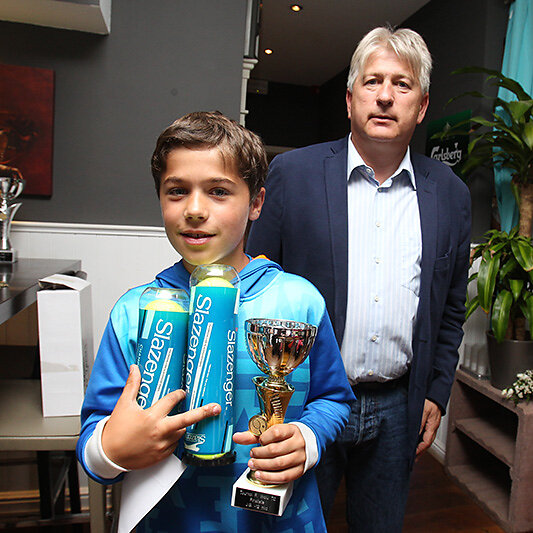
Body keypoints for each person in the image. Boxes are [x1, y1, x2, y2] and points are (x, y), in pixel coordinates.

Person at [76, 111, 355, 532]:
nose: (194, 209)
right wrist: (111, 449)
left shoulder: (300, 301)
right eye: (177, 191)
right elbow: (93, 438)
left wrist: (308, 439)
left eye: (218, 191)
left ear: (256, 203)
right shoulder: (134, 312)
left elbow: (333, 398)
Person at [246, 26, 472, 532]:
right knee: (295, 525)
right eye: (373, 81)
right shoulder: (293, 174)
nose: (385, 96)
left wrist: (435, 391)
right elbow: (255, 285)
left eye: (402, 84)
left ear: (421, 105)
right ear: (350, 100)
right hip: (304, 402)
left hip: (398, 408)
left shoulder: (451, 194)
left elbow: (451, 306)